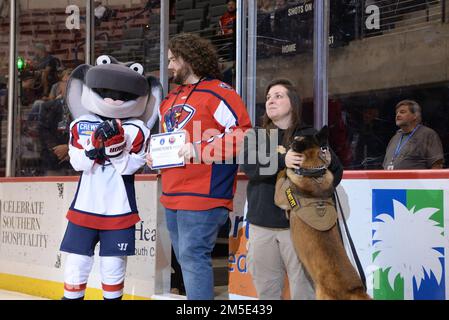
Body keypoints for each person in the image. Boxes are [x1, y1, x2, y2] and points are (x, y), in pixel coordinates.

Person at [146, 33, 252, 300]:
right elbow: (170, 141)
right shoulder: (169, 100)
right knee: (186, 258)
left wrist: (200, 149)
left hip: (205, 193)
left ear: (189, 58)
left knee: (193, 256)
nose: (169, 66)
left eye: (173, 60)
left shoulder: (219, 92)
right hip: (172, 193)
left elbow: (243, 135)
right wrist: (156, 156)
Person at [59, 55, 160, 300]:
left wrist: (113, 152)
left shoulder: (138, 129)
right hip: (85, 205)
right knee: (76, 265)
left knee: (113, 268)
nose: (114, 98)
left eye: (123, 95)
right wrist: (95, 150)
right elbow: (77, 162)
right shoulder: (81, 124)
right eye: (105, 91)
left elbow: (128, 168)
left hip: (119, 208)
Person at [241, 79, 343, 300]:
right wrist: (282, 160)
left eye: (278, 96)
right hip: (262, 225)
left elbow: (336, 171)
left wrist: (320, 175)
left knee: (303, 289)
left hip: (300, 227)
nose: (271, 100)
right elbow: (250, 167)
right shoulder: (256, 135)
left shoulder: (309, 135)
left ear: (293, 103)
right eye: (268, 97)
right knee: (266, 290)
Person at [382, 99, 444, 170]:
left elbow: (436, 165)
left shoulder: (428, 135)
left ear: (415, 116)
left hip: (416, 181)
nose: (398, 115)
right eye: (397, 113)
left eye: (402, 112)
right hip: (391, 180)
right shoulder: (395, 138)